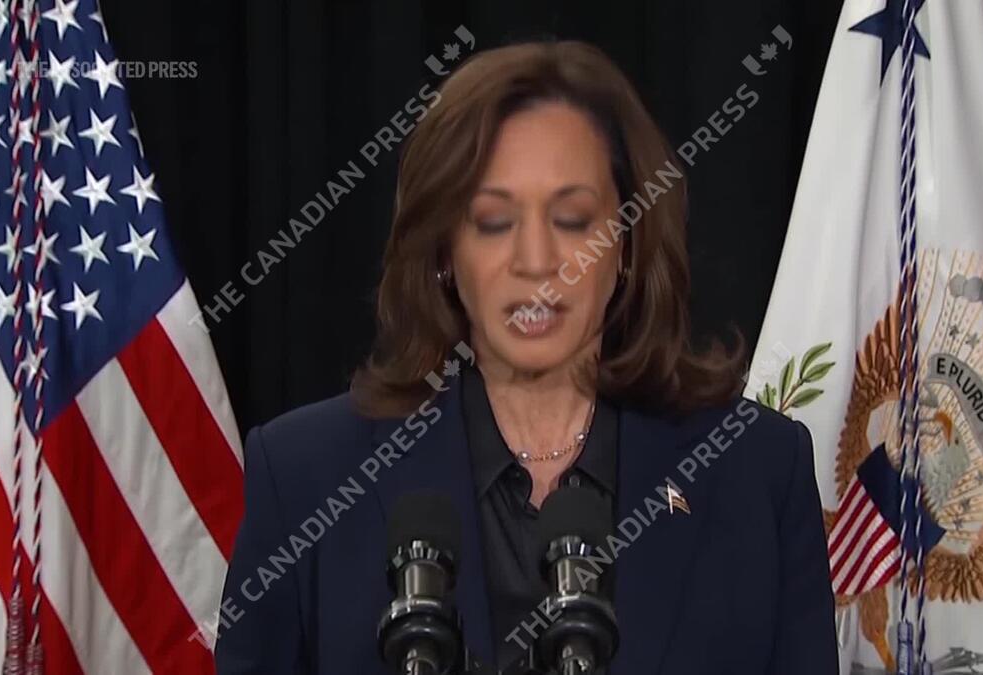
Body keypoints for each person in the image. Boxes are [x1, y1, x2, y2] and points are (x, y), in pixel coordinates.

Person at [214, 40, 837, 674]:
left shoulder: (756, 472)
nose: (536, 261)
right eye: (493, 221)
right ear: (444, 252)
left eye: (572, 219)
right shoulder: (304, 479)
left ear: (626, 243)